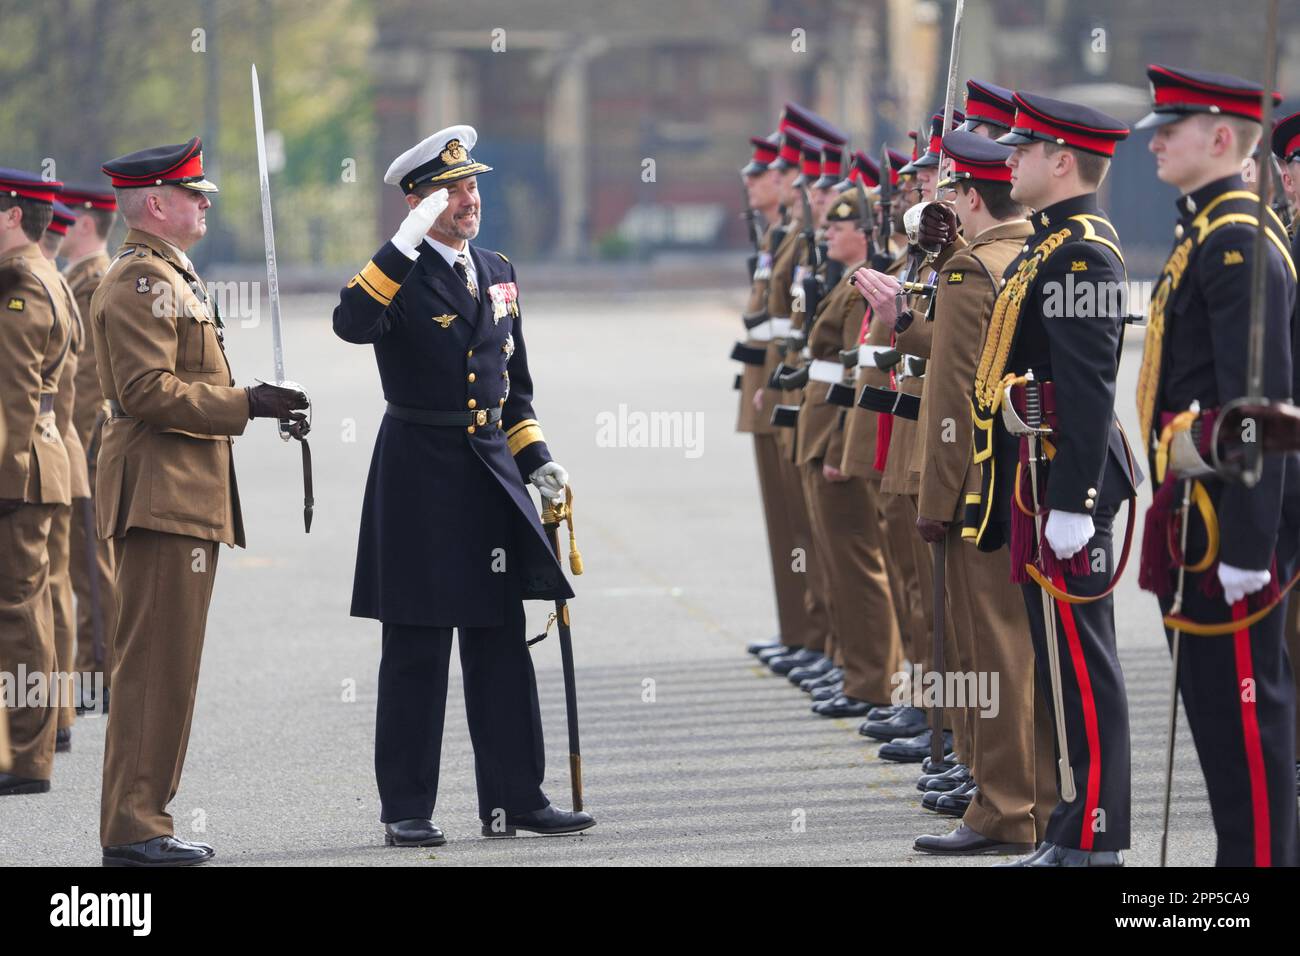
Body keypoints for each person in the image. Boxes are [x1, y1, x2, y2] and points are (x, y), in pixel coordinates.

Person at [332, 125, 593, 846]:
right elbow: (351, 323)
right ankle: (406, 808)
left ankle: (517, 798)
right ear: (417, 204)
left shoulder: (498, 268)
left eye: (472, 186)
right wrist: (405, 238)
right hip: (419, 473)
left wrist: (537, 460)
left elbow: (515, 390)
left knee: (499, 640)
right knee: (417, 647)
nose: (469, 200)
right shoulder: (397, 274)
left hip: (489, 475)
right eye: (451, 192)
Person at [92, 137, 308, 866]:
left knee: (169, 670)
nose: (205, 201)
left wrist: (258, 405)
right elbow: (145, 392)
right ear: (156, 203)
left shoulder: (169, 274)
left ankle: (146, 817)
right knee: (153, 668)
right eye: (193, 192)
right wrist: (247, 402)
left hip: (180, 496)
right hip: (159, 497)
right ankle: (133, 826)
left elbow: (182, 379)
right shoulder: (136, 281)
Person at [1135, 65, 1299, 866]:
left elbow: (1260, 411)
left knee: (1244, 721)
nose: (1156, 140)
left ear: (1225, 139)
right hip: (1195, 502)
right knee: (1211, 714)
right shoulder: (1205, 229)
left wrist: (1246, 548)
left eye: (1174, 128)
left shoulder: (1237, 241)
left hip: (1227, 517)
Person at [973, 92, 1139, 866]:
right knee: (1061, 667)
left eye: (1023, 151)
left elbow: (1086, 388)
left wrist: (1074, 501)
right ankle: (1077, 822)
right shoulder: (1054, 243)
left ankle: (1099, 835)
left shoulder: (1081, 253)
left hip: (1067, 487)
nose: (1008, 162)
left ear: (1062, 161)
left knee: (1085, 668)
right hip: (1040, 477)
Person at [908, 129, 1055, 855]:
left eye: (951, 193)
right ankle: (1041, 799)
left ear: (970, 196)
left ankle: (1003, 807)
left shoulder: (971, 272)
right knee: (1026, 649)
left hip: (981, 490)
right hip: (1033, 481)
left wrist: (934, 503)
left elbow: (952, 404)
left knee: (994, 652)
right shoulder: (1032, 252)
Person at [0, 169, 73, 797]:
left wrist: (6, 480)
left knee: (18, 616)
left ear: (12, 215)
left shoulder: (21, 282)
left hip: (18, 472)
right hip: (39, 462)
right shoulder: (42, 272)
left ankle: (25, 757)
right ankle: (28, 746)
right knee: (32, 610)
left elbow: (17, 393)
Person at [59, 185, 119, 715]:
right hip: (80, 441)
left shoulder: (94, 279)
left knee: (91, 560)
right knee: (83, 560)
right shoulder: (79, 279)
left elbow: (85, 379)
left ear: (84, 223)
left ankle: (100, 668)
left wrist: (72, 445)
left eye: (65, 218)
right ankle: (93, 663)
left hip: (86, 441)